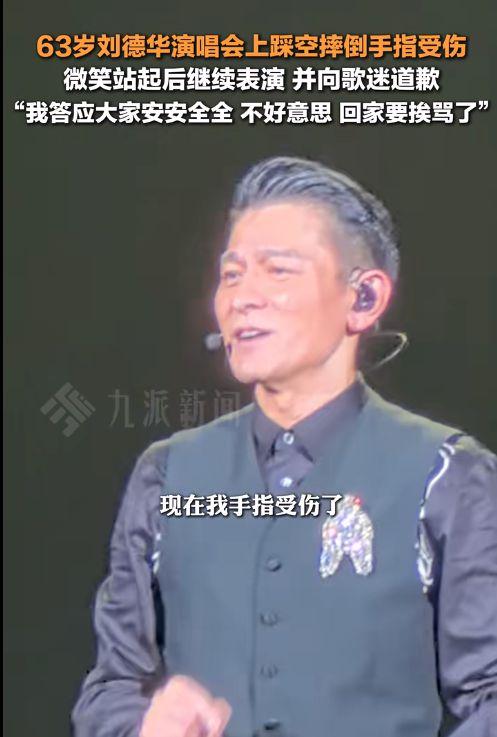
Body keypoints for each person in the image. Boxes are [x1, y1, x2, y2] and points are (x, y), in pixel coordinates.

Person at [72, 156, 497, 737]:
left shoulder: (446, 476)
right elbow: (110, 688)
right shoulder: (167, 475)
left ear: (364, 298)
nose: (242, 298)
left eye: (277, 271)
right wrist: (145, 724)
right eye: (231, 275)